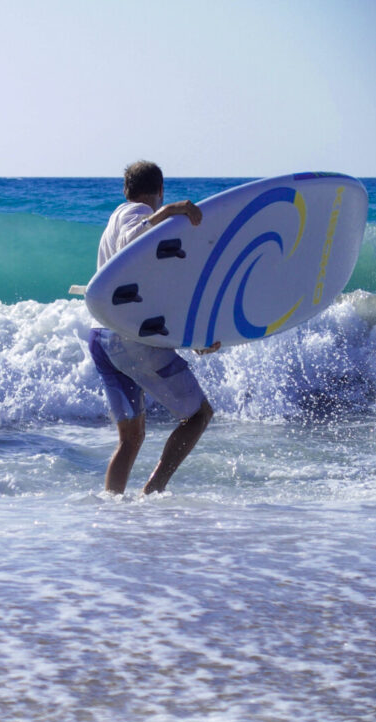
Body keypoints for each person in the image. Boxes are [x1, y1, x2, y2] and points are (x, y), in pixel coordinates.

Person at [89, 161, 219, 495]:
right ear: (160, 192)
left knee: (131, 439)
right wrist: (169, 211)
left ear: (125, 188)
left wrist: (192, 340)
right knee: (199, 416)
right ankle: (152, 491)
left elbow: (152, 300)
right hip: (127, 337)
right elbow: (135, 236)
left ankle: (112, 507)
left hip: (102, 336)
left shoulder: (116, 220)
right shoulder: (132, 213)